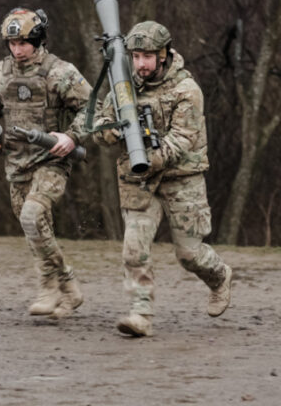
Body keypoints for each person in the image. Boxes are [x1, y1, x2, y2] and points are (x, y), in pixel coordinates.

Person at [93, 21, 233, 337]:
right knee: (134, 247)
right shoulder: (122, 84)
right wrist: (111, 130)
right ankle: (140, 313)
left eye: (147, 56)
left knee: (189, 254)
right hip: (138, 179)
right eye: (136, 56)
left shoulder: (186, 90)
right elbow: (100, 123)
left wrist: (148, 157)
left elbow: (182, 139)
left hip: (181, 177)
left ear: (164, 54)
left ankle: (219, 276)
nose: (141, 63)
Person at [0, 7, 92, 320]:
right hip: (16, 165)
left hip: (51, 162)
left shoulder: (60, 72)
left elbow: (93, 109)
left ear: (38, 40)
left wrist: (72, 137)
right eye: (12, 44)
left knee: (32, 215)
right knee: (37, 231)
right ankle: (68, 285)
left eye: (23, 43)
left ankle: (48, 287)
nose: (17, 49)